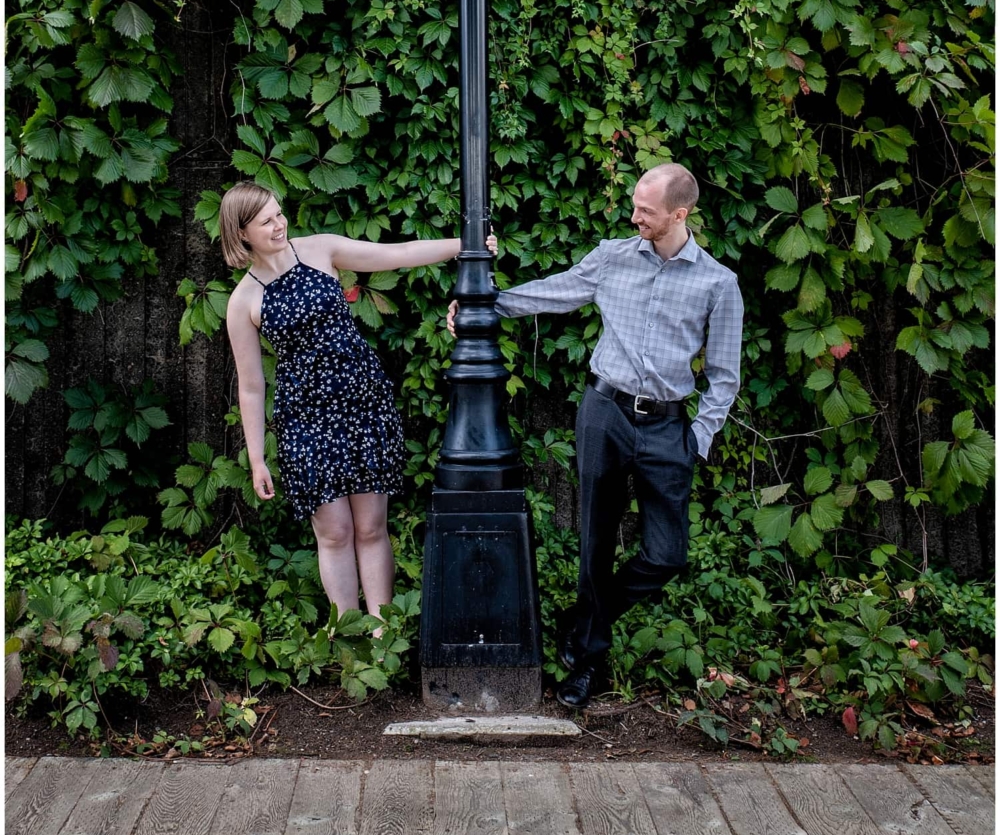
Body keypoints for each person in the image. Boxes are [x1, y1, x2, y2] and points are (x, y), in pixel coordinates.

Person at [451, 162, 743, 709]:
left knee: (666, 555)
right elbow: (555, 293)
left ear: (680, 215)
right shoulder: (611, 257)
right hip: (604, 412)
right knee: (595, 542)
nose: (634, 216)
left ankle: (584, 619)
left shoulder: (718, 284)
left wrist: (696, 439)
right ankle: (587, 660)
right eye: (634, 204)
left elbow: (725, 376)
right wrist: (481, 307)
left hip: (667, 427)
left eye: (646, 211)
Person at [222, 181, 496, 626]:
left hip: (362, 403)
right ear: (242, 233)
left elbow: (397, 254)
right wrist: (257, 459)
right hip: (306, 420)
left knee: (370, 527)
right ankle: (348, 636)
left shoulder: (321, 250)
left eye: (279, 213)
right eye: (266, 220)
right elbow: (251, 387)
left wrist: (465, 245)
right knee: (334, 533)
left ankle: (382, 635)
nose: (279, 224)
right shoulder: (243, 301)